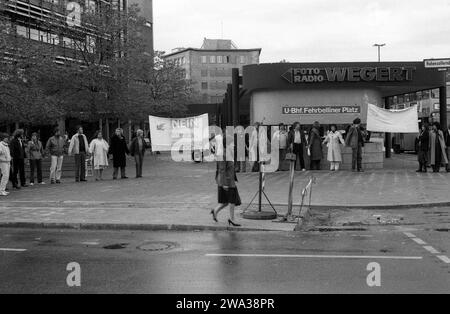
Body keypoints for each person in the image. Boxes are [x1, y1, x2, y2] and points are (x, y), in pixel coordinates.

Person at [210, 136, 242, 227]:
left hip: (229, 181)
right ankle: (232, 219)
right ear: (227, 145)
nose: (234, 145)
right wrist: (225, 184)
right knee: (232, 201)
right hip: (226, 182)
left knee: (226, 202)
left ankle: (215, 211)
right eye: (232, 143)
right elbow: (222, 170)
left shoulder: (228, 153)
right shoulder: (223, 155)